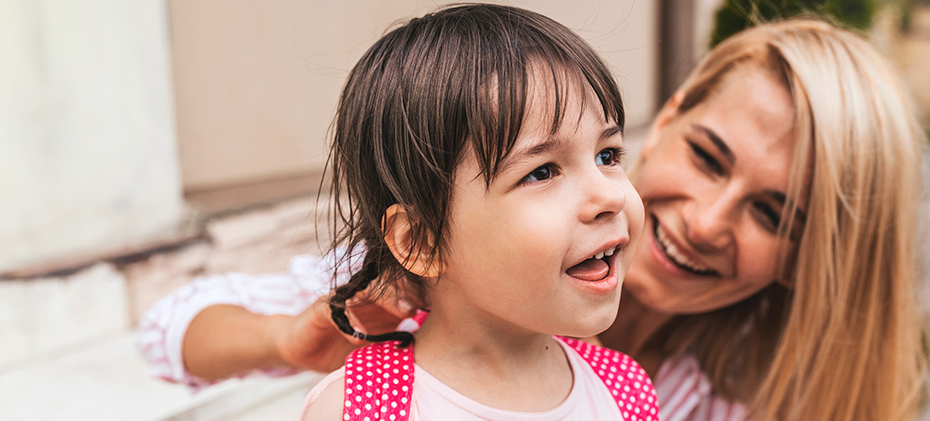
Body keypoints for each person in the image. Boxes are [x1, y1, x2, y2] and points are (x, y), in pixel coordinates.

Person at [137, 15, 929, 421]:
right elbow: (169, 328)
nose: (709, 220)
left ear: (809, 258)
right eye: (711, 157)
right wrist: (289, 337)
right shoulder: (387, 343)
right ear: (677, 110)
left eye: (773, 213)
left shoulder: (664, 395)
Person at [293, 4, 656, 419]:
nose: (608, 196)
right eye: (541, 172)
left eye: (607, 155)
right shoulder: (362, 407)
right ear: (421, 242)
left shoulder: (624, 390)